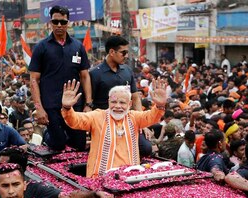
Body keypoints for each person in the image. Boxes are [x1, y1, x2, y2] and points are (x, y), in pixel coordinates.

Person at [61, 79, 166, 178]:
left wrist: (160, 105)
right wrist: (67, 108)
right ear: (108, 102)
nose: (117, 106)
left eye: (122, 103)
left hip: (129, 176)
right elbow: (75, 121)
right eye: (114, 102)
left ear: (129, 104)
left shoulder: (134, 117)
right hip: (99, 178)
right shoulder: (97, 116)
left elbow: (152, 116)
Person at [29, 5, 92, 151]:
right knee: (57, 142)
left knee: (79, 143)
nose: (59, 25)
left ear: (68, 22)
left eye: (63, 22)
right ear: (50, 22)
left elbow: (85, 76)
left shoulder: (78, 46)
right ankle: (47, 139)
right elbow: (33, 80)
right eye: (55, 21)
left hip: (74, 105)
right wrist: (39, 108)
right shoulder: (41, 47)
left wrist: (88, 104)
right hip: (51, 105)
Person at [90, 36, 151, 157]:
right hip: (104, 123)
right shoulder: (95, 73)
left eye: (127, 52)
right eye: (123, 53)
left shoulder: (127, 70)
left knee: (146, 148)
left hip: (127, 121)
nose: (126, 56)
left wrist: (141, 122)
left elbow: (135, 97)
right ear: (112, 52)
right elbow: (89, 103)